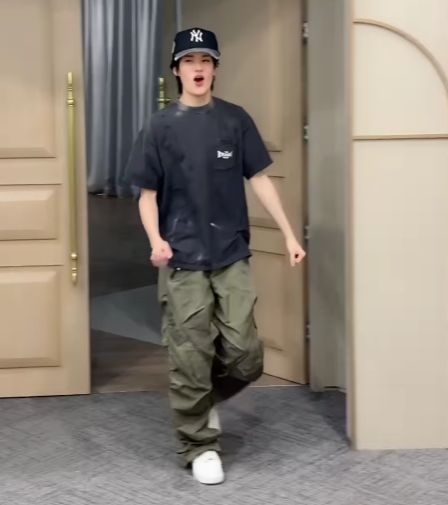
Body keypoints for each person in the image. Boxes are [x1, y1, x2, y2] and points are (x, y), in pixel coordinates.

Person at [129, 27, 306, 485]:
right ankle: (199, 444)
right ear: (176, 70)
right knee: (189, 353)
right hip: (181, 257)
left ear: (215, 69)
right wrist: (156, 240)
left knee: (245, 353)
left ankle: (203, 397)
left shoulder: (235, 120)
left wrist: (289, 234)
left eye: (205, 60)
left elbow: (260, 179)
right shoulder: (159, 127)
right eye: (189, 61)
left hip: (230, 253)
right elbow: (147, 196)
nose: (198, 68)